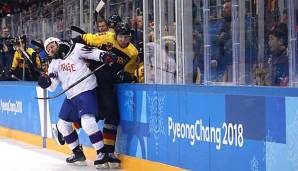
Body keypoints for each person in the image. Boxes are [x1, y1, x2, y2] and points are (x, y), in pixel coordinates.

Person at [37, 37, 117, 169]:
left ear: (58, 43)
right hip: (71, 97)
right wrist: (45, 83)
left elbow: (92, 52)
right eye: (48, 49)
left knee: (88, 122)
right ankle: (77, 153)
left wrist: (103, 55)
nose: (51, 49)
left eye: (52, 45)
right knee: (62, 126)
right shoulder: (53, 64)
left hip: (86, 90)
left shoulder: (76, 48)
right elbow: (52, 86)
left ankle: (102, 154)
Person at [71, 21, 139, 168]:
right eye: (121, 36)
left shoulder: (133, 52)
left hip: (107, 83)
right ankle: (67, 128)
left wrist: (125, 76)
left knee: (112, 115)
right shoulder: (106, 37)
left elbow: (128, 72)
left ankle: (108, 151)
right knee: (89, 113)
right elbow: (83, 38)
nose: (123, 40)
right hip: (91, 78)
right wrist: (72, 50)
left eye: (127, 37)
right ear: (116, 35)